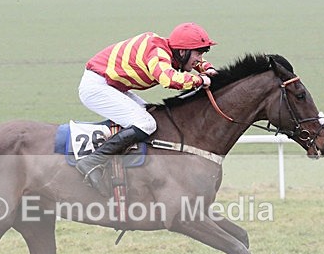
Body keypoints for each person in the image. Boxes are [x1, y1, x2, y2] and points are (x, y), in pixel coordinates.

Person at [76, 22, 218, 196]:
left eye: (203, 53)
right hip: (97, 87)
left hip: (111, 86)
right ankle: (93, 160)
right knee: (145, 123)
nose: (200, 57)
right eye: (198, 53)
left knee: (152, 116)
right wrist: (201, 80)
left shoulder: (171, 50)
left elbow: (192, 62)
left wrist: (208, 69)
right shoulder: (157, 52)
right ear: (183, 51)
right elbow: (168, 79)